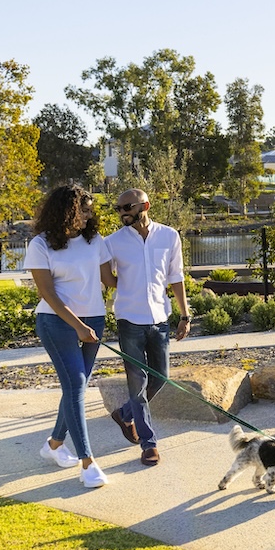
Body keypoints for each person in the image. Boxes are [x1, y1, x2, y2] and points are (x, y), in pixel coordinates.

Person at [25, 182, 112, 489]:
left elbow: (110, 280)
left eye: (90, 211)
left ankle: (54, 444)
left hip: (94, 319)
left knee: (77, 386)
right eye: (83, 211)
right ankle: (88, 464)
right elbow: (47, 293)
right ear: (67, 211)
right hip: (56, 322)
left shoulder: (95, 240)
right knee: (75, 384)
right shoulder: (41, 244)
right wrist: (78, 326)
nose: (88, 217)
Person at [101, 188, 190, 467]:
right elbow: (106, 277)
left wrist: (185, 315)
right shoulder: (112, 242)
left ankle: (124, 413)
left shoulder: (169, 236)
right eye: (118, 208)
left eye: (127, 207)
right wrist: (128, 287)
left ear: (145, 206)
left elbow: (176, 277)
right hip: (129, 319)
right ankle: (149, 444)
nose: (122, 213)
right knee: (137, 384)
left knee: (161, 377)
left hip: (160, 319)